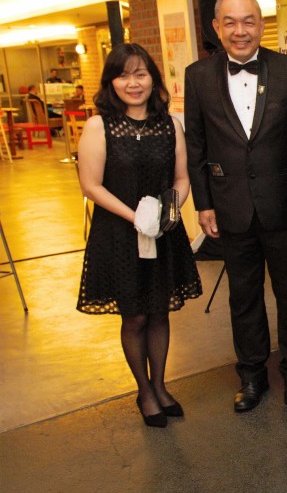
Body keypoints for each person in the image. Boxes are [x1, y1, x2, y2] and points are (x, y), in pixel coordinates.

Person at [184, 0, 287, 413]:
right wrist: (203, 203)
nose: (240, 31)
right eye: (231, 22)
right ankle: (252, 376)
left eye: (249, 21)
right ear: (216, 28)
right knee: (242, 297)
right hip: (229, 208)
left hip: (284, 204)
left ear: (261, 24)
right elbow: (197, 145)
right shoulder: (197, 76)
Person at [76, 43, 202, 428]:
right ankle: (144, 391)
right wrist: (137, 217)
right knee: (134, 317)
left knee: (160, 311)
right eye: (124, 75)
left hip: (163, 233)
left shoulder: (170, 125)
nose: (133, 83)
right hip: (119, 233)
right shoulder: (100, 126)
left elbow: (182, 179)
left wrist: (167, 211)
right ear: (111, 82)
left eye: (141, 74)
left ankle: (161, 385)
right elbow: (90, 185)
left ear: (153, 78)